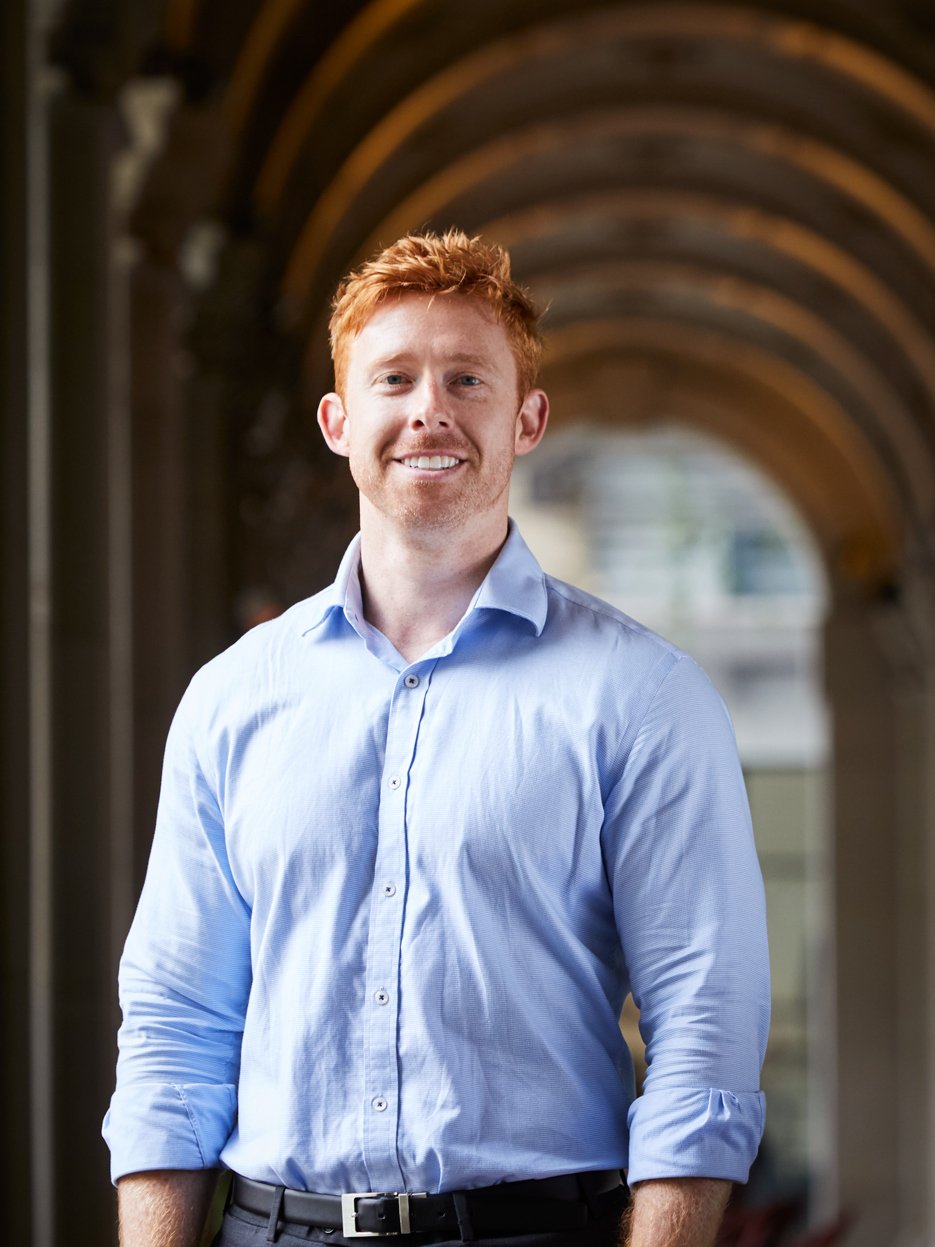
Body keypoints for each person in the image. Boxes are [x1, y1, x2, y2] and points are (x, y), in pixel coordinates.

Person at [104, 229, 770, 1247]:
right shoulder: (231, 700)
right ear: (336, 420)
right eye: (394, 378)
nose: (430, 409)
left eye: (467, 377)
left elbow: (705, 1025)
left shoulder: (642, 695)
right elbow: (175, 1023)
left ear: (526, 418)